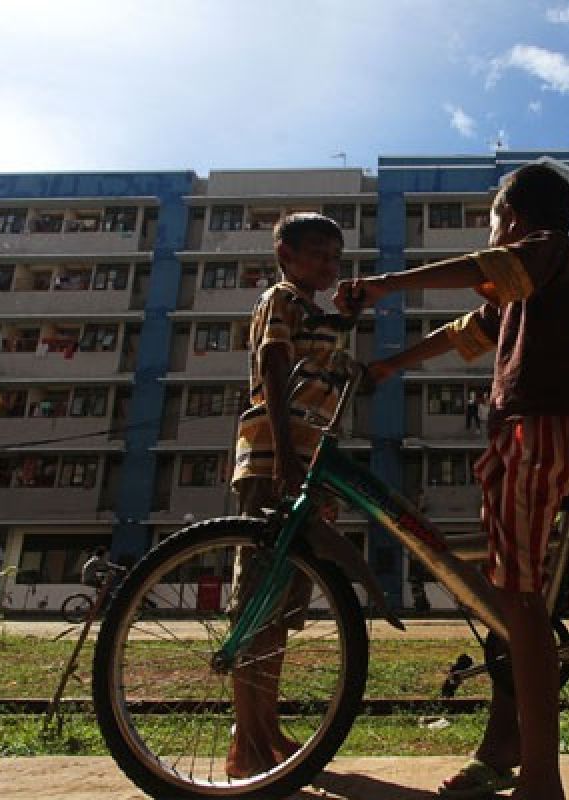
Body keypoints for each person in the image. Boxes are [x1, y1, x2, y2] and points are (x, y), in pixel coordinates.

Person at [336, 163, 569, 800]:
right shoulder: (521, 289)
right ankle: (504, 744)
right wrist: (392, 365)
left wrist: (384, 285)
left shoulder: (549, 251)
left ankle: (543, 778)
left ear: (512, 218)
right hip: (520, 432)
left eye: (493, 220)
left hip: (539, 429)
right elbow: (467, 332)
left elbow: (482, 267)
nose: (492, 233)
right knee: (503, 597)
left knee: (520, 601)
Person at [227, 212, 346, 779]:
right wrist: (287, 457)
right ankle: (244, 741)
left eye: (334, 256)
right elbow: (273, 370)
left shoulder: (318, 314)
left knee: (280, 610)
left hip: (308, 466)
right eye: (318, 253)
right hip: (278, 460)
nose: (329, 264)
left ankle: (265, 727)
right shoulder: (281, 299)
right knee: (257, 603)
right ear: (286, 255)